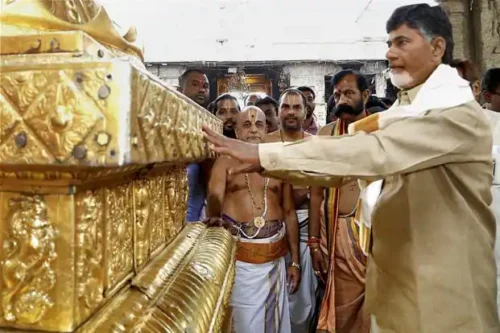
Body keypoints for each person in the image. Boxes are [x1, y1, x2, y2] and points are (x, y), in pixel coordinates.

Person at [202, 4, 500, 333]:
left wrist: (263, 155)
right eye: (389, 43)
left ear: (437, 47)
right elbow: (342, 152)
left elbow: (369, 150)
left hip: (444, 298)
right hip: (399, 288)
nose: (390, 52)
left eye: (402, 42)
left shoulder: (454, 114)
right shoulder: (407, 110)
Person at [206, 106, 300, 333]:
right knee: (245, 325)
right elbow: (214, 197)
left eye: (259, 124)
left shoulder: (278, 163)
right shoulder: (225, 162)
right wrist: (216, 214)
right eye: (246, 125)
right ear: (237, 132)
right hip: (241, 262)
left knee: (274, 326)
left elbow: (289, 212)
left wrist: (295, 261)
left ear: (267, 129)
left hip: (275, 262)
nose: (253, 130)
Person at [309, 70, 371, 333]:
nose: (342, 99)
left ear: (365, 95)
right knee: (343, 317)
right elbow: (315, 192)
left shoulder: (382, 132)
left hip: (378, 238)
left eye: (349, 93)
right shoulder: (325, 135)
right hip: (337, 236)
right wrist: (313, 244)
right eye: (337, 95)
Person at [266, 88, 317, 332]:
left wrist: (317, 241)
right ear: (277, 112)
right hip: (271, 226)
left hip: (306, 228)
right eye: (286, 106)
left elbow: (319, 195)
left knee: (301, 297)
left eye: (297, 107)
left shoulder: (314, 145)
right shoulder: (266, 144)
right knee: (273, 294)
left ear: (306, 113)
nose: (291, 112)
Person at [179, 69, 210, 222]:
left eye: (205, 86)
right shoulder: (172, 118)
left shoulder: (211, 122)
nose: (201, 89)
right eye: (195, 84)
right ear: (181, 89)